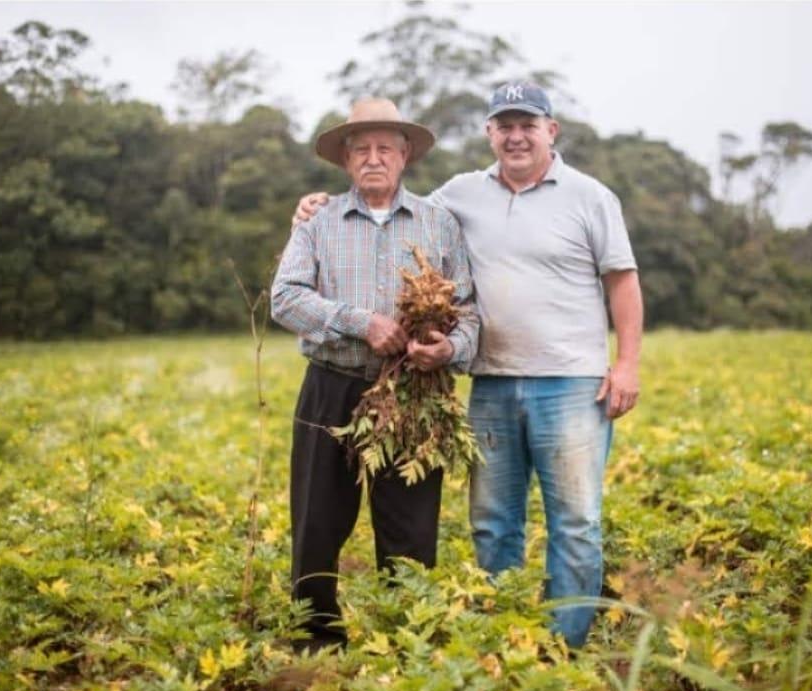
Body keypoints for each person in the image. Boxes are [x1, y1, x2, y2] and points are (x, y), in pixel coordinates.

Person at [292, 82, 643, 648]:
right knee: (492, 523)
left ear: (551, 131)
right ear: (489, 133)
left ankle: (563, 645)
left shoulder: (590, 196)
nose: (515, 135)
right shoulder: (457, 196)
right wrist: (314, 206)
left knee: (576, 523)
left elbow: (622, 281)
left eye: (528, 124)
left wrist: (626, 364)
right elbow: (382, 205)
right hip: (493, 384)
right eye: (504, 125)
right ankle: (504, 636)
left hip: (571, 383)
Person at [271, 97, 478, 652]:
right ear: (344, 159)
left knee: (410, 524)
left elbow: (471, 309)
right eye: (360, 148)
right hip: (330, 386)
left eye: (385, 147)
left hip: (414, 392)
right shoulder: (318, 222)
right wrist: (361, 323)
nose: (373, 157)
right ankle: (317, 637)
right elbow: (284, 298)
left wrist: (451, 347)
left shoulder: (440, 224)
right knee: (317, 519)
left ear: (405, 153)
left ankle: (406, 634)